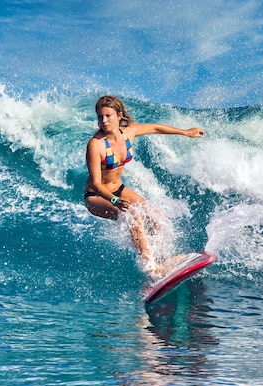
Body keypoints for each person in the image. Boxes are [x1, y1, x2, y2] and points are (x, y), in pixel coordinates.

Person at [84, 95, 204, 276]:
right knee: (132, 215)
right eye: (100, 117)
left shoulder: (128, 132)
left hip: (119, 189)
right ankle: (151, 268)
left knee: (156, 217)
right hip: (97, 196)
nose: (104, 120)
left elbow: (156, 127)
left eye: (108, 116)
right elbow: (95, 182)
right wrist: (114, 200)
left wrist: (185, 132)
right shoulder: (95, 145)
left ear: (119, 115)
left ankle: (160, 259)